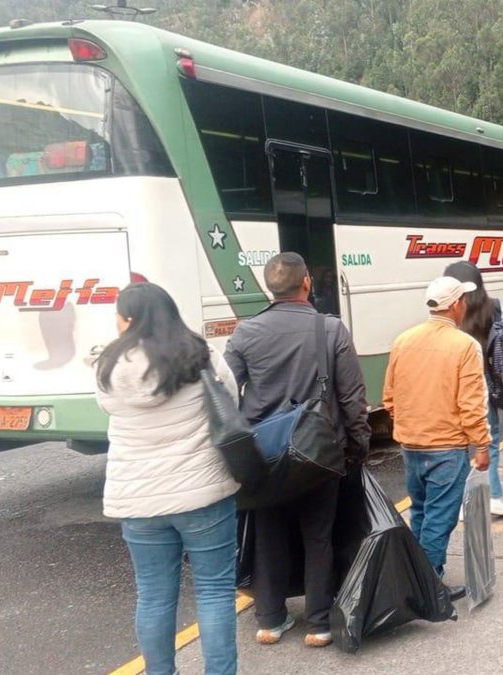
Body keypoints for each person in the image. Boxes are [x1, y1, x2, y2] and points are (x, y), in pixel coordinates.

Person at [224, 253, 373, 648]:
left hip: (264, 455)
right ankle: (320, 623)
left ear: (268, 286)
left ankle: (271, 621)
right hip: (319, 452)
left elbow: (225, 395)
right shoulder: (331, 329)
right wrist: (357, 447)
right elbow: (353, 397)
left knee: (268, 533)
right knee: (318, 536)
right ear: (307, 281)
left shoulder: (244, 334)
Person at [96, 283, 240, 675]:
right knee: (214, 593)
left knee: (154, 597)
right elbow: (231, 403)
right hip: (204, 494)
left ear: (128, 319)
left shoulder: (108, 367)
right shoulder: (200, 355)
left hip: (139, 500)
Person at [384, 276, 491, 587]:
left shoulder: (403, 340)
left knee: (419, 512)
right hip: (446, 446)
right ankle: (429, 585)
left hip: (410, 444)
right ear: (456, 305)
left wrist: (408, 423)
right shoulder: (464, 345)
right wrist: (481, 445)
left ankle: (414, 576)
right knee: (439, 518)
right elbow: (470, 404)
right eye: (464, 300)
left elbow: (389, 396)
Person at [445, 261, 503, 517]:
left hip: (450, 382)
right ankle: (493, 495)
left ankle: (465, 502)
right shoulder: (493, 307)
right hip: (482, 378)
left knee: (459, 442)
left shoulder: (446, 310)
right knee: (490, 440)